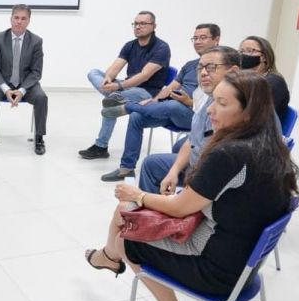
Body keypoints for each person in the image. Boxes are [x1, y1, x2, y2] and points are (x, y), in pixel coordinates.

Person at [84, 70, 299, 301]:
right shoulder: (270, 145)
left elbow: (181, 207)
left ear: (248, 112)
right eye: (213, 101)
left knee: (128, 232)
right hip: (244, 262)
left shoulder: (230, 153)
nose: (210, 109)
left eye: (222, 104)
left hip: (217, 270)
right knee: (127, 211)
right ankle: (108, 257)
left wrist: (138, 193)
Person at [100, 24, 221, 181]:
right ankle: (126, 168)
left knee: (172, 105)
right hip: (170, 109)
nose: (197, 41)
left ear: (216, 39)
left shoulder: (221, 66)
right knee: (137, 117)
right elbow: (170, 87)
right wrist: (154, 100)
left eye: (203, 38)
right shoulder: (190, 65)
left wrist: (189, 102)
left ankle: (128, 105)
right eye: (195, 38)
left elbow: (215, 102)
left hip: (196, 116)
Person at [137, 46, 240, 194]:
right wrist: (174, 171)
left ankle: (131, 107)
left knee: (170, 106)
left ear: (233, 71)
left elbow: (214, 169)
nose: (203, 73)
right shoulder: (208, 98)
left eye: (211, 67)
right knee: (151, 163)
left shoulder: (236, 108)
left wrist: (143, 198)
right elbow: (193, 139)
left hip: (213, 178)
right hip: (197, 165)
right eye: (200, 68)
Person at [79, 11, 171, 159]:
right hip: (126, 87)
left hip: (146, 92)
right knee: (94, 73)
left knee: (110, 104)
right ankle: (115, 97)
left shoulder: (161, 48)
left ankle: (101, 146)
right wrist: (108, 79)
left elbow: (144, 76)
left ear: (154, 26)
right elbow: (116, 66)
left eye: (143, 23)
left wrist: (118, 87)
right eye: (136, 23)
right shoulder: (130, 45)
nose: (138, 27)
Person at [0, 4, 48, 155]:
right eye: (16, 18)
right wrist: (7, 89)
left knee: (42, 97)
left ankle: (39, 138)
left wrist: (22, 90)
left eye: (23, 18)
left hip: (27, 84)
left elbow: (36, 72)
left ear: (29, 21)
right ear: (10, 19)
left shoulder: (36, 41)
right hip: (1, 82)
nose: (19, 21)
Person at [238, 35, 290, 123]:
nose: (244, 55)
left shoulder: (274, 82)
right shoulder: (246, 77)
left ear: (264, 57)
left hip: (263, 132)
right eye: (241, 51)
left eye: (250, 51)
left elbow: (255, 117)